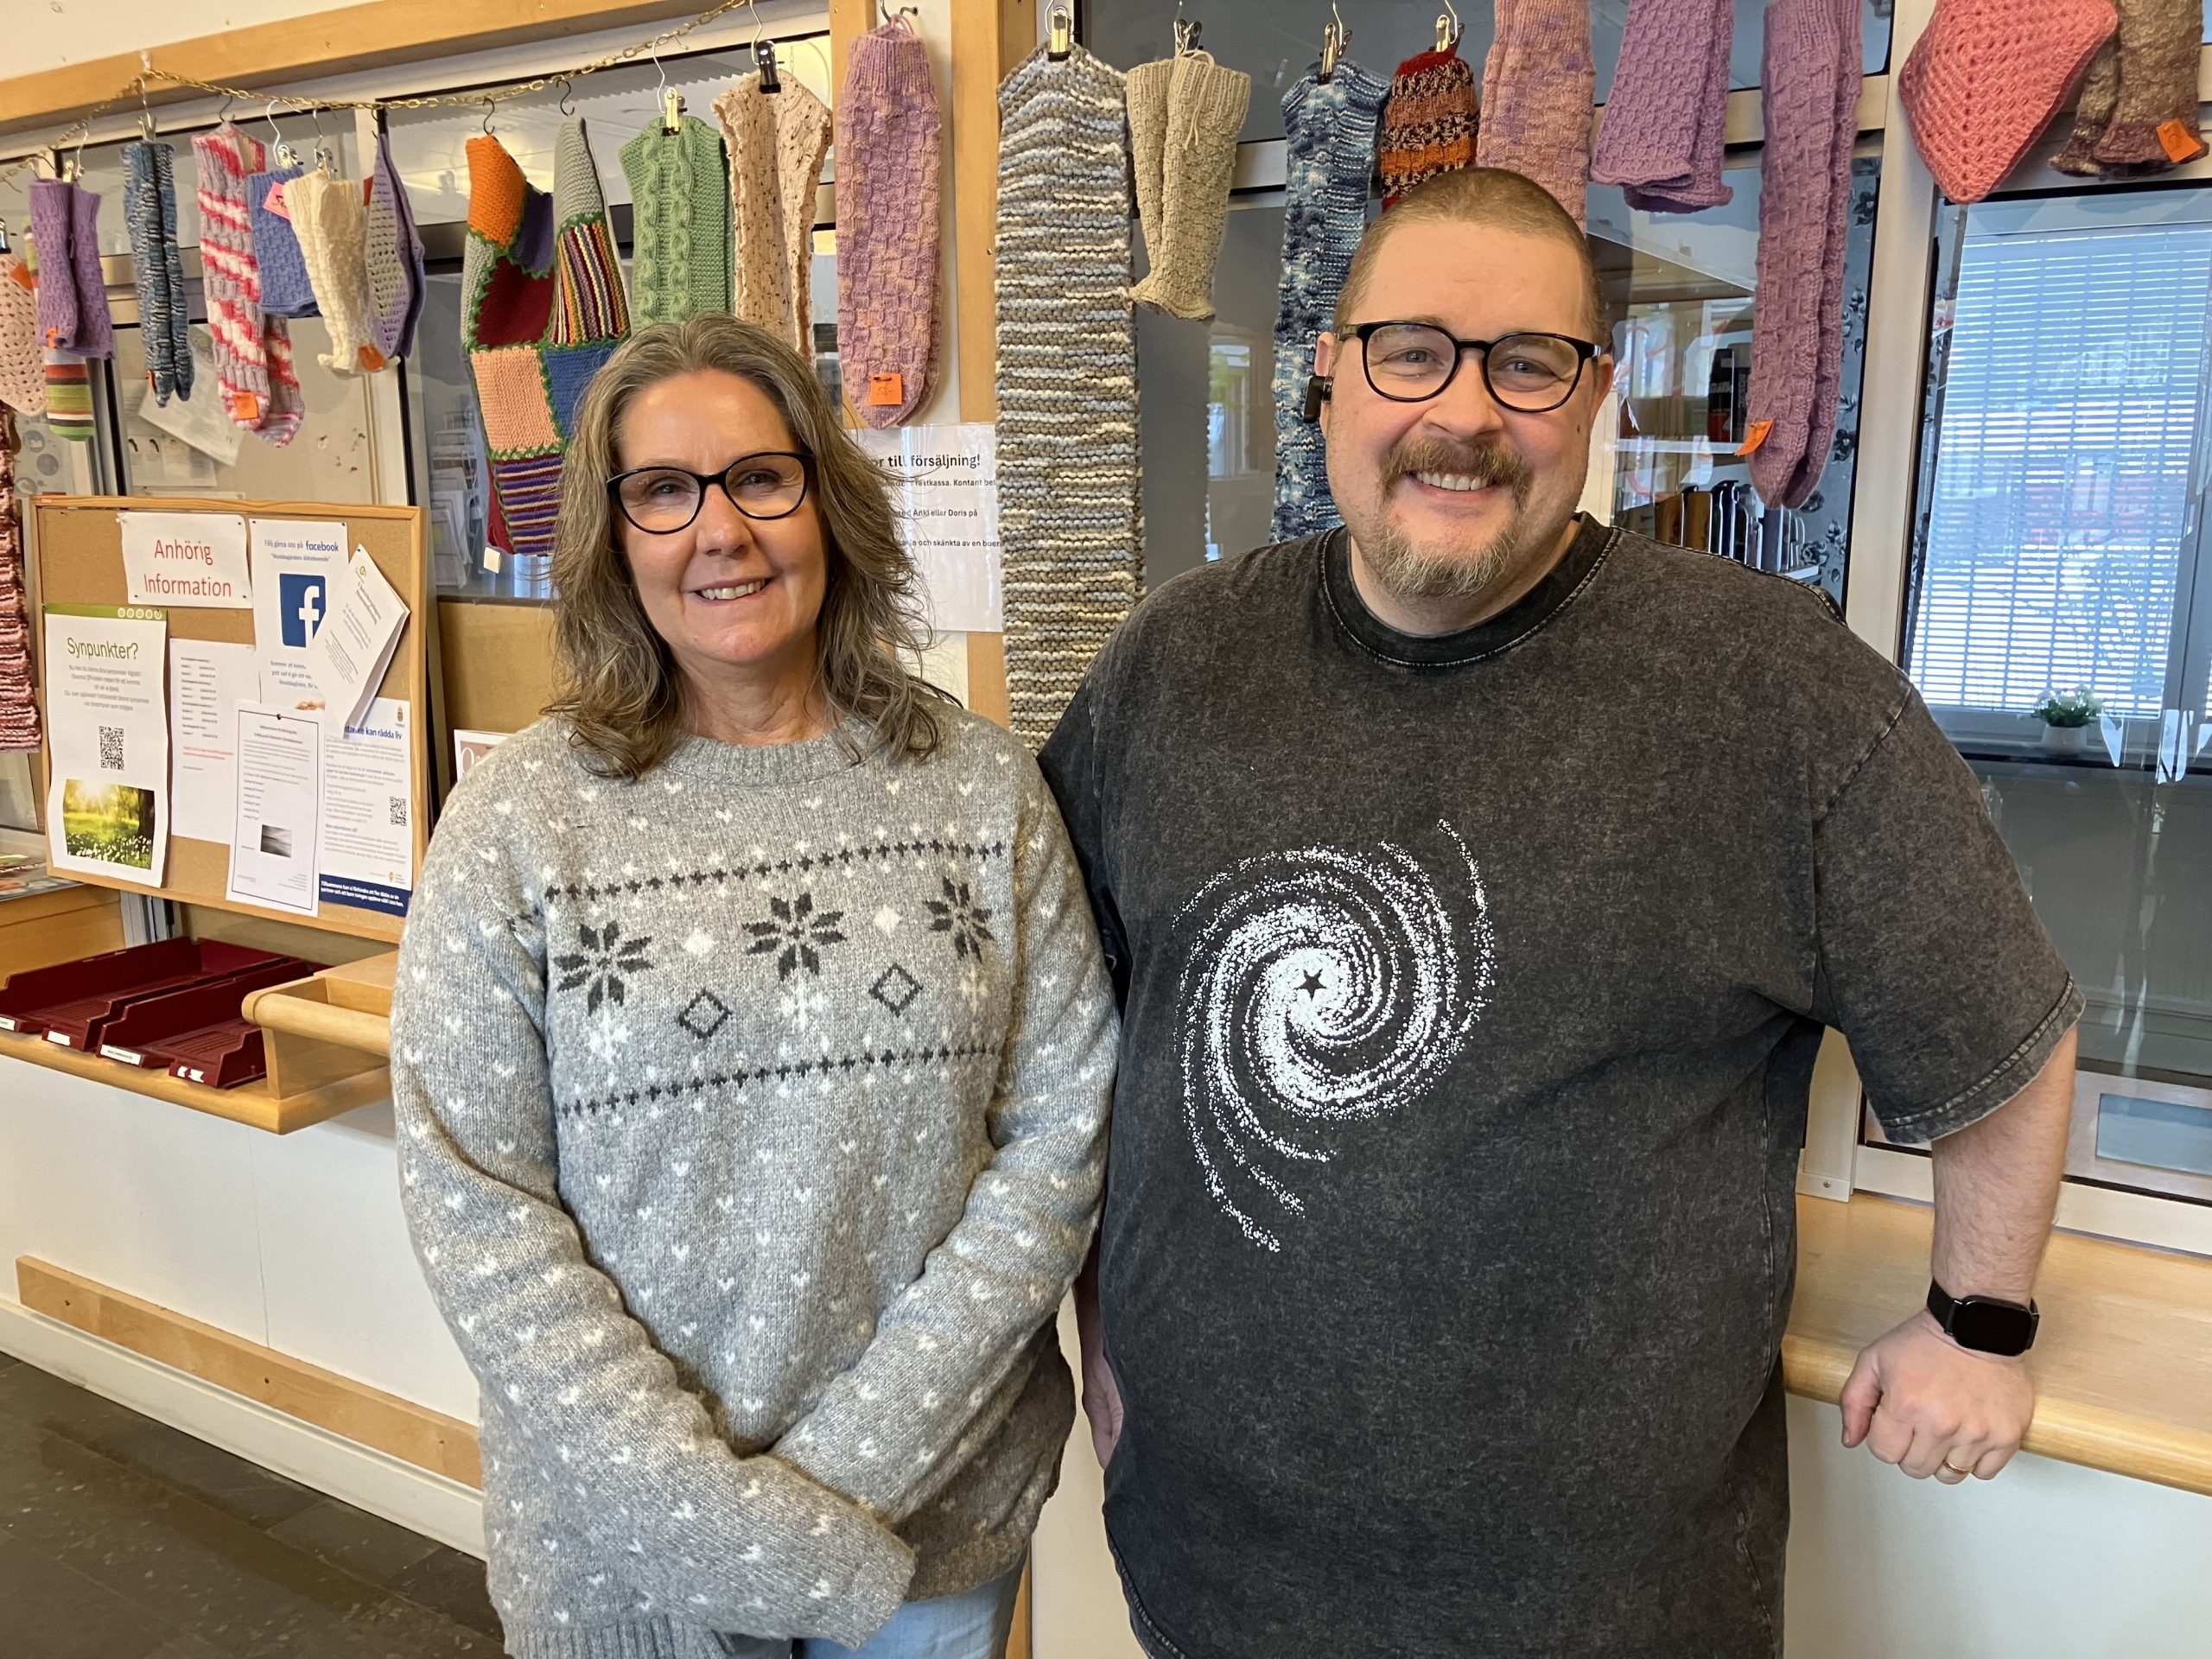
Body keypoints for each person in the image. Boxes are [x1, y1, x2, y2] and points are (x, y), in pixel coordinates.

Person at [1040, 167, 2080, 1659]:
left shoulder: (1769, 689)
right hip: (1213, 1577)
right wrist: (1098, 1331)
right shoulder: (1171, 667)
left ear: (1596, 397)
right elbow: (1069, 1039)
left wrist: (1979, 1323)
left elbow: (2000, 1028)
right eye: (1411, 351)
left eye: (1527, 363)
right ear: (1327, 376)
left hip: (1606, 1611)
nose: (1463, 414)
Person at [391, 315, 1116, 1659]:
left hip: (926, 1530)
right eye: (664, 491)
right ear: (613, 537)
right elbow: (477, 1206)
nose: (719, 530)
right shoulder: (516, 823)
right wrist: (703, 1522)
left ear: (827, 501)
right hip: (625, 1546)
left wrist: (840, 1477)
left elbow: (1061, 1141)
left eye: (760, 479)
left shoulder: (982, 789)